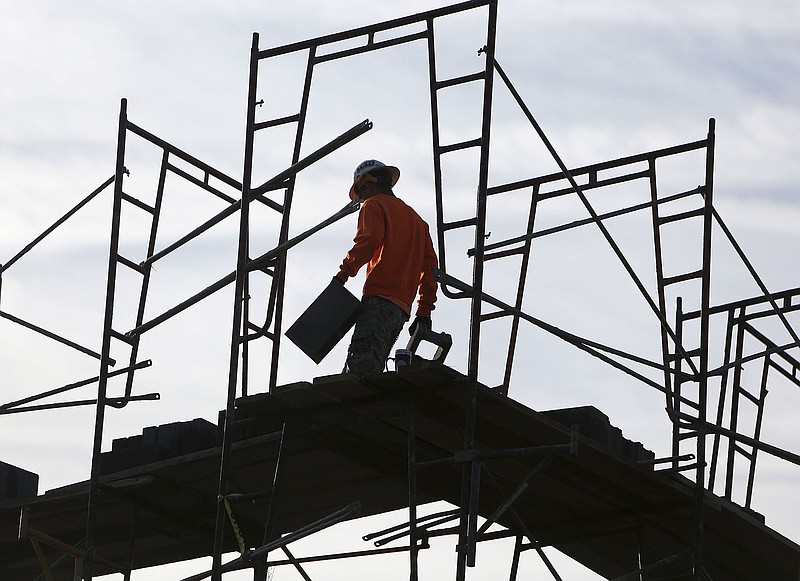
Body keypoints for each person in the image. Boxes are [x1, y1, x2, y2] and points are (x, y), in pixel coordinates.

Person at [334, 159, 438, 376]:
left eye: (360, 196)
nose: (361, 201)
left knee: (360, 371)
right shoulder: (418, 222)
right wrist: (424, 312)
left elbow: (367, 242)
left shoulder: (374, 205)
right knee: (374, 365)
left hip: (379, 299)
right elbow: (430, 271)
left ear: (367, 185)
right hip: (401, 310)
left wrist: (343, 275)